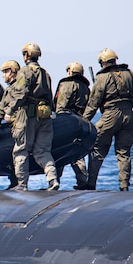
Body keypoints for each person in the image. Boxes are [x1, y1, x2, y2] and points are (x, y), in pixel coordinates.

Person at [82, 48, 133, 191]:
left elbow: (94, 103)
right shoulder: (131, 74)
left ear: (102, 62)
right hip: (128, 116)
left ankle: (91, 183)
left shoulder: (102, 77)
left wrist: (83, 121)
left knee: (97, 149)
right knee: (124, 153)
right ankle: (124, 186)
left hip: (110, 116)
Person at [3, 43, 60, 191]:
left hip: (27, 115)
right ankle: (52, 178)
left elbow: (21, 94)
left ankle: (22, 184)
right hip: (44, 114)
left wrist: (9, 111)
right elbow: (50, 96)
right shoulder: (45, 73)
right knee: (42, 150)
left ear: (27, 55)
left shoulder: (24, 72)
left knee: (21, 149)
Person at [54, 62, 91, 190]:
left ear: (70, 71)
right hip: (80, 122)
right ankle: (82, 181)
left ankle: (54, 181)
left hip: (66, 122)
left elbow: (59, 105)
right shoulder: (86, 87)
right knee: (78, 153)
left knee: (59, 151)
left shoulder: (66, 84)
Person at [0, 60, 21, 189]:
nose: (3, 75)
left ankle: (19, 182)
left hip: (17, 126)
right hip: (17, 126)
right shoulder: (13, 88)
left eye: (5, 72)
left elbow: (2, 109)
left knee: (18, 153)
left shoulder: (15, 89)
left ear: (11, 72)